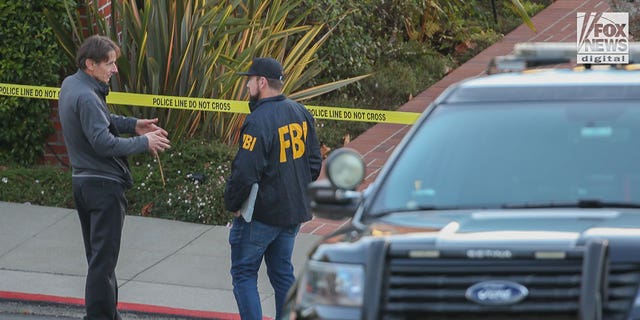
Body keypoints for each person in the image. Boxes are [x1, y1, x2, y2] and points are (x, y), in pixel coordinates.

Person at [58, 34, 171, 320]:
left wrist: (134, 125)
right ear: (90, 64)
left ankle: (107, 315)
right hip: (102, 187)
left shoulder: (73, 85)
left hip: (83, 182)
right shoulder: (86, 95)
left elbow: (101, 121)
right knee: (102, 263)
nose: (115, 69)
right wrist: (144, 144)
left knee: (99, 260)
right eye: (109, 63)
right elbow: (103, 142)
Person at [225, 57, 322, 319]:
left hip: (262, 215)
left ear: (262, 82)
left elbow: (245, 171)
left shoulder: (258, 121)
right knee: (282, 275)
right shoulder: (300, 112)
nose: (247, 86)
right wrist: (297, 189)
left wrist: (232, 204)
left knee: (244, 274)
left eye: (249, 81)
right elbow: (314, 162)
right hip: (292, 214)